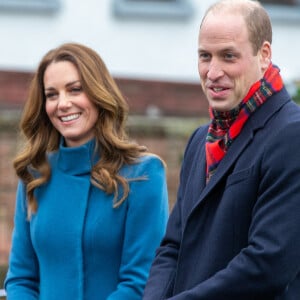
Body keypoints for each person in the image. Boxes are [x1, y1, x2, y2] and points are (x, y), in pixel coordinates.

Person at [143, 0, 300, 299]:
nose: (213, 72)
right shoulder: (201, 139)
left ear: (264, 55)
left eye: (228, 56)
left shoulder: (292, 135)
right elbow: (173, 247)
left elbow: (268, 265)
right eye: (205, 56)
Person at [4, 42, 169, 299]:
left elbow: (140, 282)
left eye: (75, 90)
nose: (63, 103)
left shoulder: (144, 174)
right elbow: (21, 279)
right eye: (52, 94)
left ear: (98, 93)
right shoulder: (35, 176)